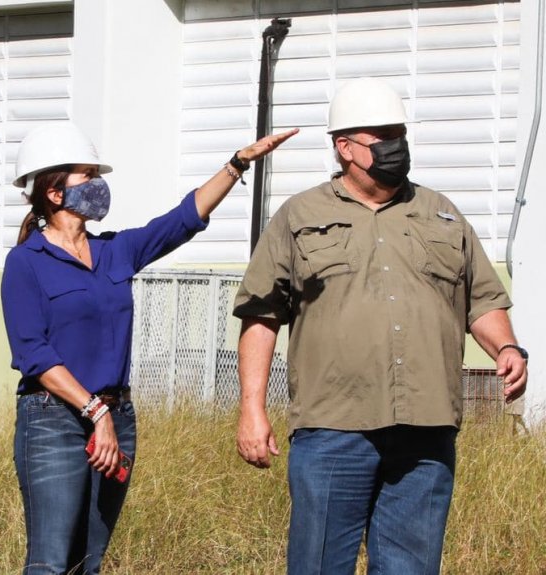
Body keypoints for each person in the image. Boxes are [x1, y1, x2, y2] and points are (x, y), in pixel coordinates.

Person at [232, 77, 528, 575]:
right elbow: (262, 318)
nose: (396, 148)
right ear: (343, 147)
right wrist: (251, 411)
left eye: (399, 134)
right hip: (333, 429)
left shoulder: (442, 214)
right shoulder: (299, 215)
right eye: (381, 137)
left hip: (426, 428)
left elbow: (481, 301)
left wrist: (507, 347)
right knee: (319, 566)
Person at [2, 122, 296, 574]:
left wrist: (238, 163)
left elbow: (181, 221)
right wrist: (93, 413)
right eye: (86, 176)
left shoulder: (114, 251)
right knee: (51, 563)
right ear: (54, 193)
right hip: (55, 421)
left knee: (88, 561)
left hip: (116, 418)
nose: (98, 186)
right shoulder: (25, 263)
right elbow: (34, 355)